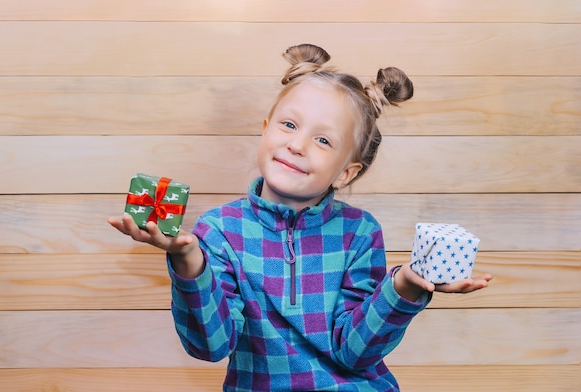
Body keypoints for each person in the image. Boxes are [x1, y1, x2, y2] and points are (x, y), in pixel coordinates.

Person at [109, 44, 492, 391]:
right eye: (289, 125)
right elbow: (210, 346)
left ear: (346, 172)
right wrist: (188, 262)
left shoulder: (360, 232)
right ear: (265, 131)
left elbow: (355, 354)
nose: (296, 144)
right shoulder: (219, 230)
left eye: (323, 140)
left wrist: (404, 286)